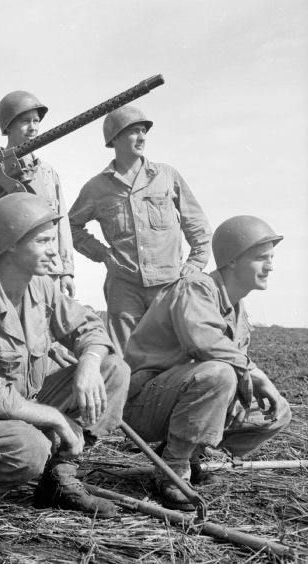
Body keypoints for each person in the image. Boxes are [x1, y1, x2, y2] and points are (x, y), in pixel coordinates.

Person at [0, 193, 130, 518]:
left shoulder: (41, 285)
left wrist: (88, 365)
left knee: (112, 369)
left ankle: (59, 478)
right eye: (44, 241)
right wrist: (56, 418)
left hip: (20, 403)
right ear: (13, 244)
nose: (54, 250)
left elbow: (90, 327)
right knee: (31, 447)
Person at [123, 215, 291, 510]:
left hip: (184, 397)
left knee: (277, 411)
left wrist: (242, 397)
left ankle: (188, 451)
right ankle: (172, 472)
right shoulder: (196, 287)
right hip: (143, 403)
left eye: (271, 258)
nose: (270, 266)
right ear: (232, 260)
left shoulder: (239, 312)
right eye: (261, 258)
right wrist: (258, 376)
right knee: (220, 373)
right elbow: (204, 344)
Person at [69, 106, 212, 355]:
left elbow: (196, 223)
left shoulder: (166, 176)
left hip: (168, 286)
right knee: (125, 358)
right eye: (134, 131)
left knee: (173, 355)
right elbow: (70, 226)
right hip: (124, 288)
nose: (142, 137)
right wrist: (102, 254)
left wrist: (196, 262)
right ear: (114, 139)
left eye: (143, 131)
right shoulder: (97, 187)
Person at [0, 90, 75, 297]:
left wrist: (67, 271)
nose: (33, 127)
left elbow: (62, 224)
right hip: (11, 275)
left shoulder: (48, 173)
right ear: (7, 126)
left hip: (49, 271)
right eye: (25, 121)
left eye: (36, 121)